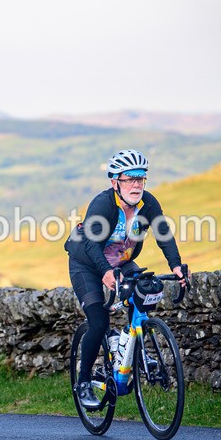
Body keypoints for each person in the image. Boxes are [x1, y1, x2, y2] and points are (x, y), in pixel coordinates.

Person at [64, 149, 187, 409]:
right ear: (115, 182)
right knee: (98, 322)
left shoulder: (148, 204)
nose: (136, 185)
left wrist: (176, 266)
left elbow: (163, 233)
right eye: (129, 179)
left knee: (142, 292)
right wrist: (105, 273)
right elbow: (92, 245)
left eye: (140, 179)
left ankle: (134, 350)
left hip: (121, 261)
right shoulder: (103, 205)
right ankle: (84, 382)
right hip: (87, 264)